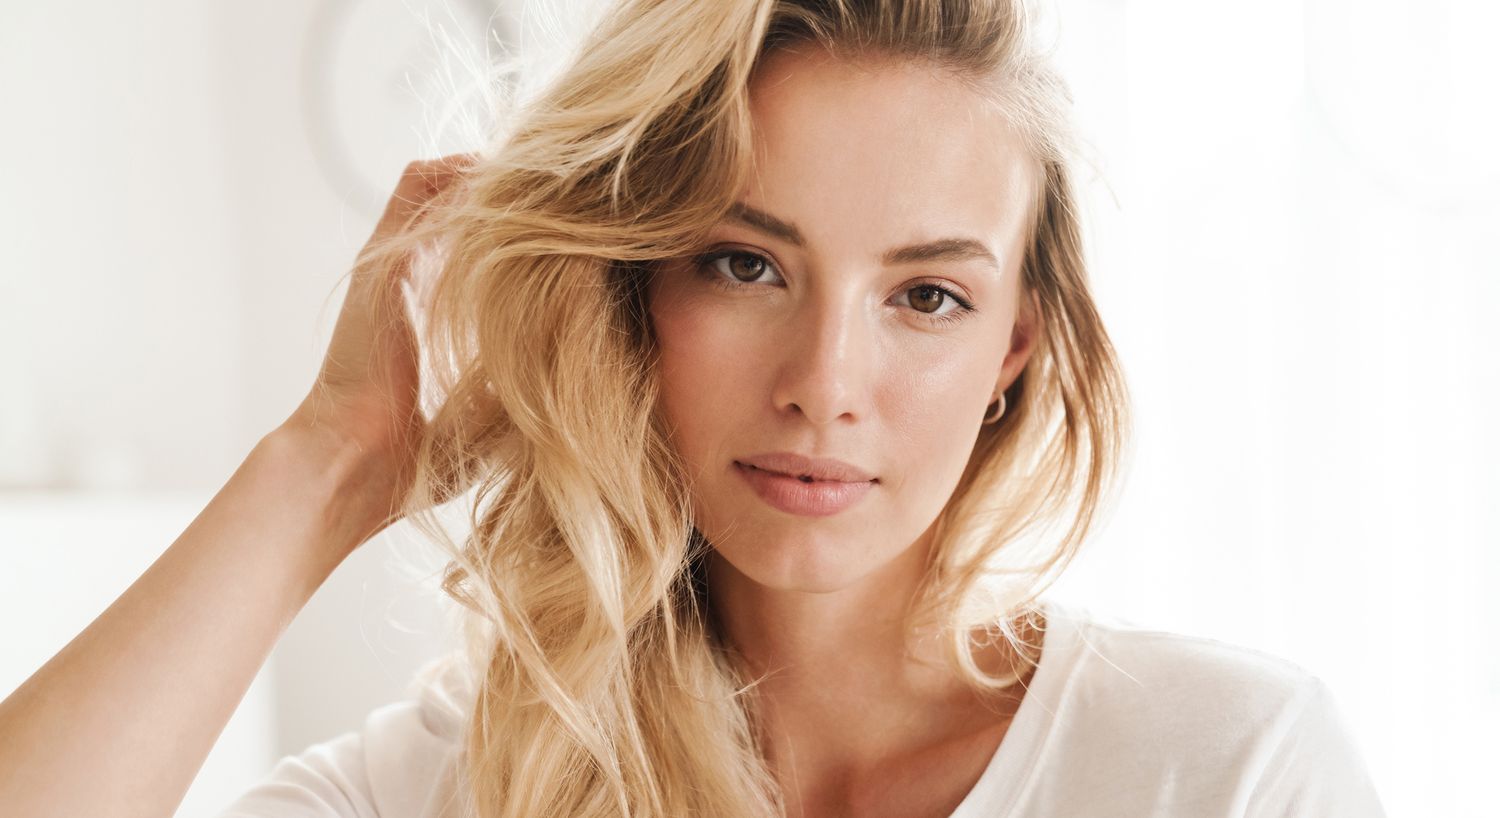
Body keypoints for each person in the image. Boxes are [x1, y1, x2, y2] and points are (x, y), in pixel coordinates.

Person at [0, 0, 1387, 816]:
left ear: (1017, 343)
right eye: (745, 263)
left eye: (926, 297)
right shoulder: (483, 778)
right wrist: (330, 462)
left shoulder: (1226, 770)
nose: (825, 384)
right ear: (633, 293)